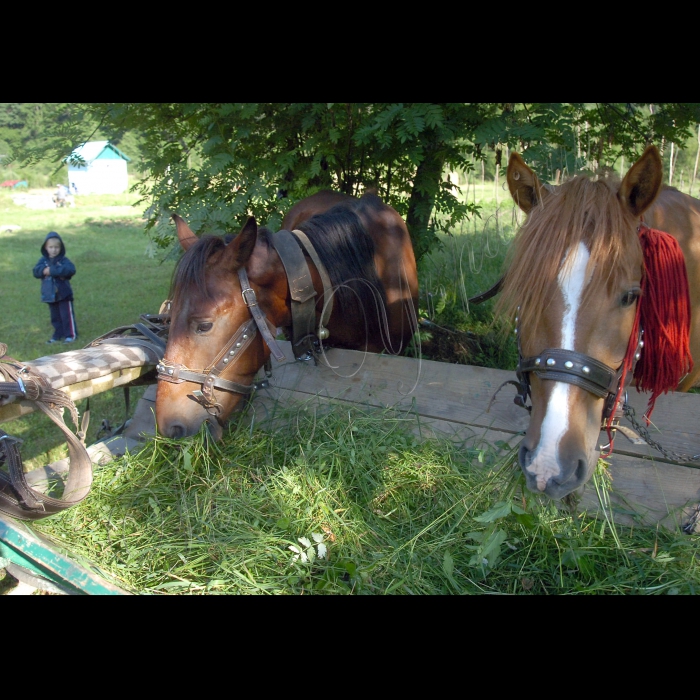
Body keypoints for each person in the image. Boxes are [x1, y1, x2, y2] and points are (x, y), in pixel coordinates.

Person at [32, 231, 78, 344]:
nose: (54, 250)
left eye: (56, 247)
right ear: (46, 248)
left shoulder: (63, 261)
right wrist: (43, 271)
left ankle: (70, 335)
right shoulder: (43, 261)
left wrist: (51, 271)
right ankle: (58, 334)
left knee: (66, 315)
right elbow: (36, 271)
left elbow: (70, 270)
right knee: (55, 317)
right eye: (51, 247)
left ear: (60, 248)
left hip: (63, 294)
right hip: (49, 294)